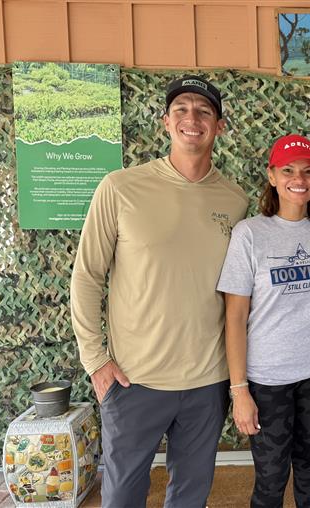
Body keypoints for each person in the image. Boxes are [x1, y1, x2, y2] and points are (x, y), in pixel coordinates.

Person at [70, 75, 249, 507]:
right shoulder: (120, 187)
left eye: (204, 111)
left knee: (190, 497)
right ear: (166, 122)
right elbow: (87, 275)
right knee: (122, 497)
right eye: (181, 109)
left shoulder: (235, 201)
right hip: (135, 380)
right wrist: (96, 361)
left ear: (219, 126)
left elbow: (238, 297)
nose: (192, 118)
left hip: (207, 382)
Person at [218, 134, 310, 508]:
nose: (298, 179)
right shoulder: (250, 233)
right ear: (272, 176)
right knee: (271, 479)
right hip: (268, 380)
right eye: (287, 170)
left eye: (308, 171)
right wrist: (240, 390)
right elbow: (234, 317)